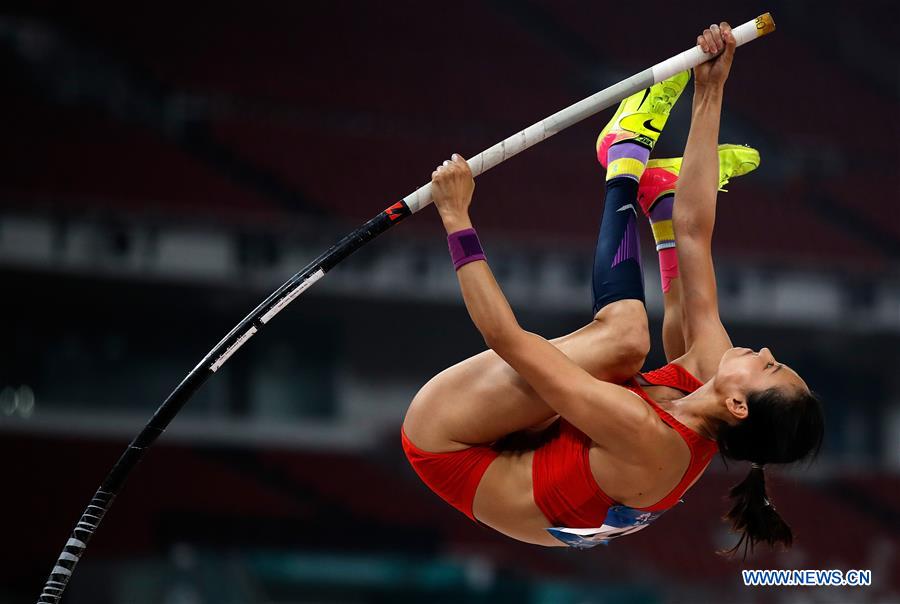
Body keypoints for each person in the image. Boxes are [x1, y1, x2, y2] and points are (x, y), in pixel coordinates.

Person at [402, 22, 823, 555]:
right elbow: (698, 236)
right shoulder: (713, 381)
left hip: (453, 446)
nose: (765, 351)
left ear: (739, 405)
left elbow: (508, 340)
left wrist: (456, 218)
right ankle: (659, 200)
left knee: (624, 339)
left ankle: (624, 155)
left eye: (771, 367)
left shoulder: (650, 440)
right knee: (680, 305)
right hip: (547, 446)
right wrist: (709, 89)